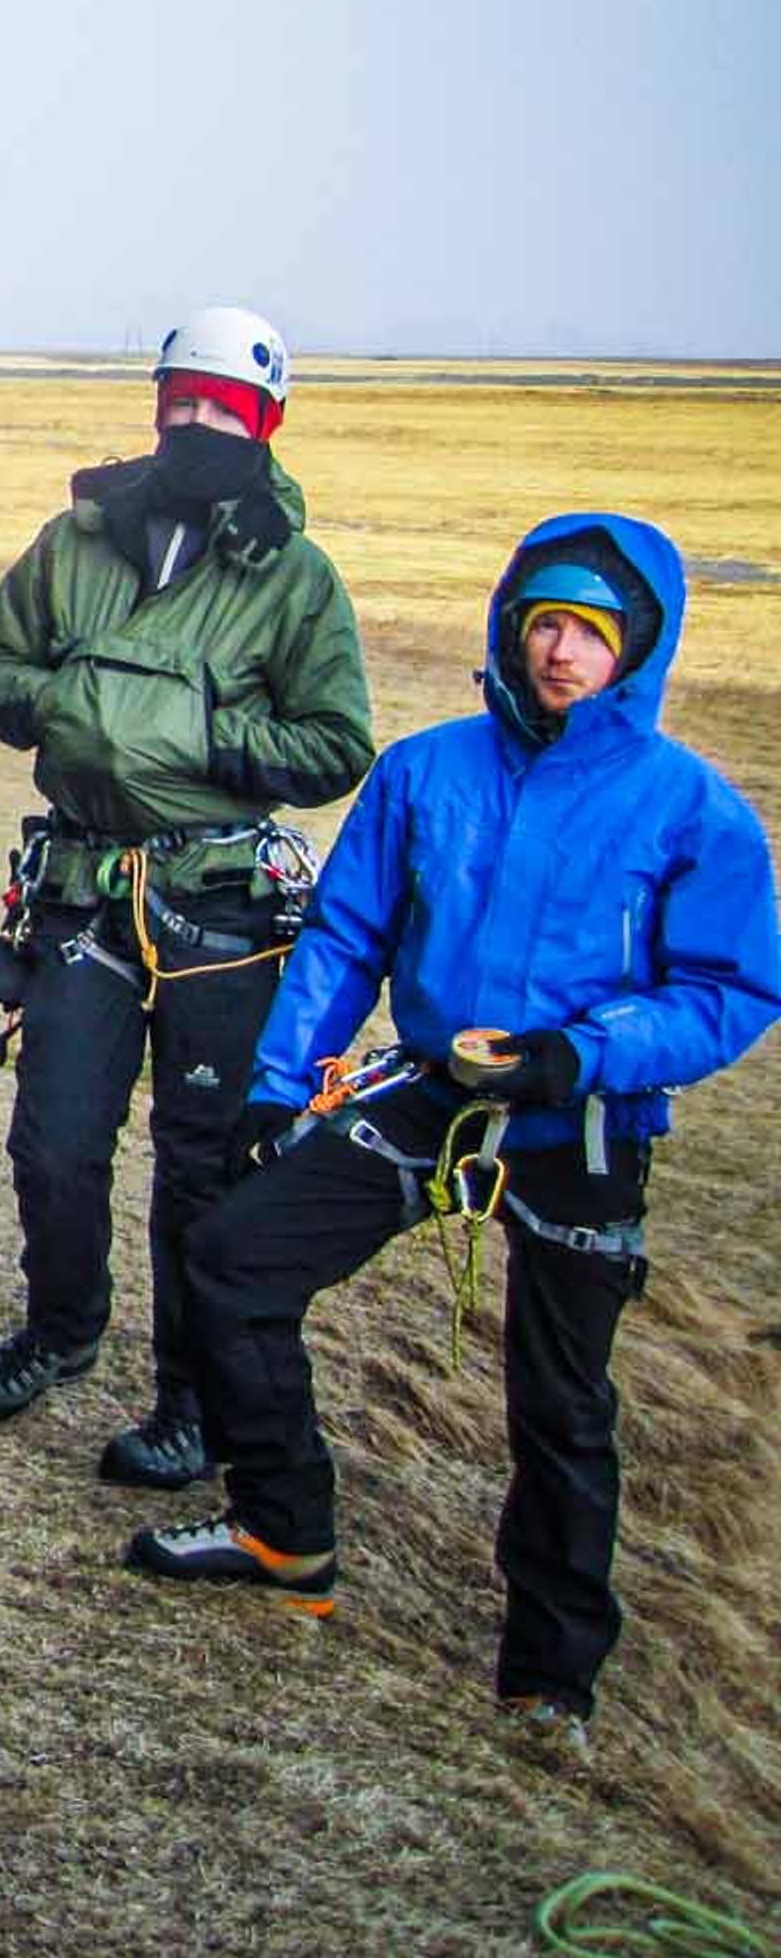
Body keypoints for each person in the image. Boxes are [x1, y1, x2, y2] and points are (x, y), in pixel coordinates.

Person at [134, 516, 778, 1746]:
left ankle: (550, 1675)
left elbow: (726, 992)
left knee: (560, 1396)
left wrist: (581, 1053)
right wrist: (283, 1087)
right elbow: (344, 941)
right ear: (508, 626)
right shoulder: (427, 772)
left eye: (590, 633)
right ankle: (283, 1530)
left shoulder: (694, 810)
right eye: (543, 622)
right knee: (232, 1257)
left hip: (577, 1111)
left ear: (637, 649)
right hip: (432, 1090)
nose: (559, 651)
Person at [0, 309, 375, 1483]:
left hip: (220, 909)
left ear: (265, 426)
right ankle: (62, 1328)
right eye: (179, 401)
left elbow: (337, 742)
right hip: (82, 891)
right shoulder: (75, 540)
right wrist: (78, 708)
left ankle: (193, 1399)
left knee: (203, 1163)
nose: (194, 424)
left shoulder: (294, 578)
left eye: (222, 410)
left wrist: (186, 727)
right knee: (54, 1140)